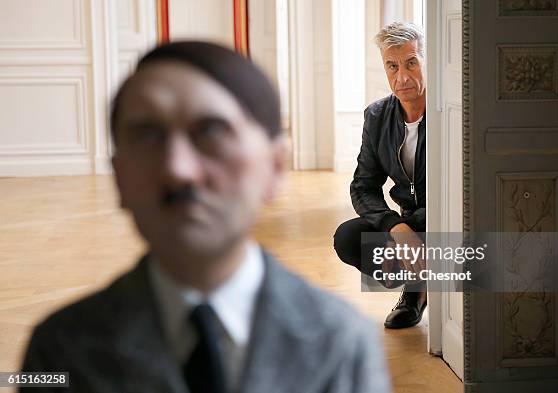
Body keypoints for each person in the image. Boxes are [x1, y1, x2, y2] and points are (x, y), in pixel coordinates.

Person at [21, 41, 391, 393]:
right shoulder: (59, 348)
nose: (178, 170)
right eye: (148, 135)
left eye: (210, 131)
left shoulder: (344, 342)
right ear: (118, 174)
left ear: (275, 166)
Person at [333, 22, 428, 330]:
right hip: (408, 223)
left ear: (427, 61)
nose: (402, 77)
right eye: (392, 66)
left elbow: (463, 191)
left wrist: (409, 229)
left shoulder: (451, 112)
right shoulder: (376, 116)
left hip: (447, 221)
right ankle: (418, 282)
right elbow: (363, 186)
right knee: (348, 238)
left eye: (411, 63)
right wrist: (395, 228)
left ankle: (417, 290)